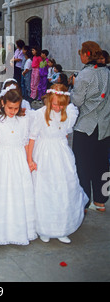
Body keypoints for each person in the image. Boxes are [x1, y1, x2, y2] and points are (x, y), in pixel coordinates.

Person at [27, 84, 89, 243]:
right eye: (54, 104)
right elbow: (32, 138)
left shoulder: (68, 113)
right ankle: (44, 228)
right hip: (44, 154)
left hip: (61, 154)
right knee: (45, 190)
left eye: (61, 105)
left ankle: (62, 228)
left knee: (62, 189)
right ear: (48, 101)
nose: (57, 107)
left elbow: (65, 134)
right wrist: (30, 160)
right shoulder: (40, 114)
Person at [0, 86, 36, 246]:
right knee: (0, 192)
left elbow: (26, 142)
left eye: (16, 108)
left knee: (17, 192)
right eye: (10, 108)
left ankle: (17, 229)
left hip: (18, 158)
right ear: (2, 104)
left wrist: (29, 160)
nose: (13, 111)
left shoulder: (24, 119)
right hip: (1, 158)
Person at [71, 41, 110, 213]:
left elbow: (77, 101)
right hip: (105, 126)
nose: (80, 55)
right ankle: (101, 201)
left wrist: (73, 85)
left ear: (87, 54)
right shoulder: (108, 72)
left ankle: (84, 202)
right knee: (102, 165)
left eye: (80, 52)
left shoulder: (85, 75)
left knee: (83, 165)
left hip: (86, 126)